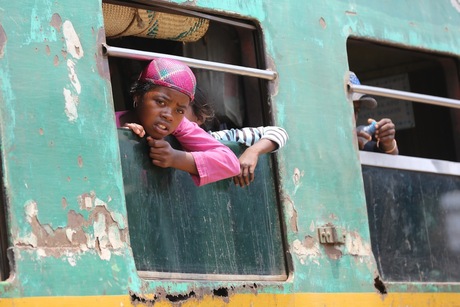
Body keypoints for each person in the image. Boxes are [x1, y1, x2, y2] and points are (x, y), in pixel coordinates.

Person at [119, 57, 241, 186]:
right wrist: (122, 137)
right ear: (137, 97)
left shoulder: (180, 125)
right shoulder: (108, 123)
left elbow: (230, 163)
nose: (169, 115)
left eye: (180, 110)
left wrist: (175, 158)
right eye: (161, 102)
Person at [185, 87, 289, 187]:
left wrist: (253, 151)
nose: (168, 113)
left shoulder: (216, 138)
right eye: (167, 104)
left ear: (199, 118)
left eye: (179, 109)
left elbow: (279, 132)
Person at [349, 71, 399, 155]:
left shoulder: (360, 143)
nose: (354, 117)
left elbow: (389, 158)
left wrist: (388, 144)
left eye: (356, 110)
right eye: (349, 109)